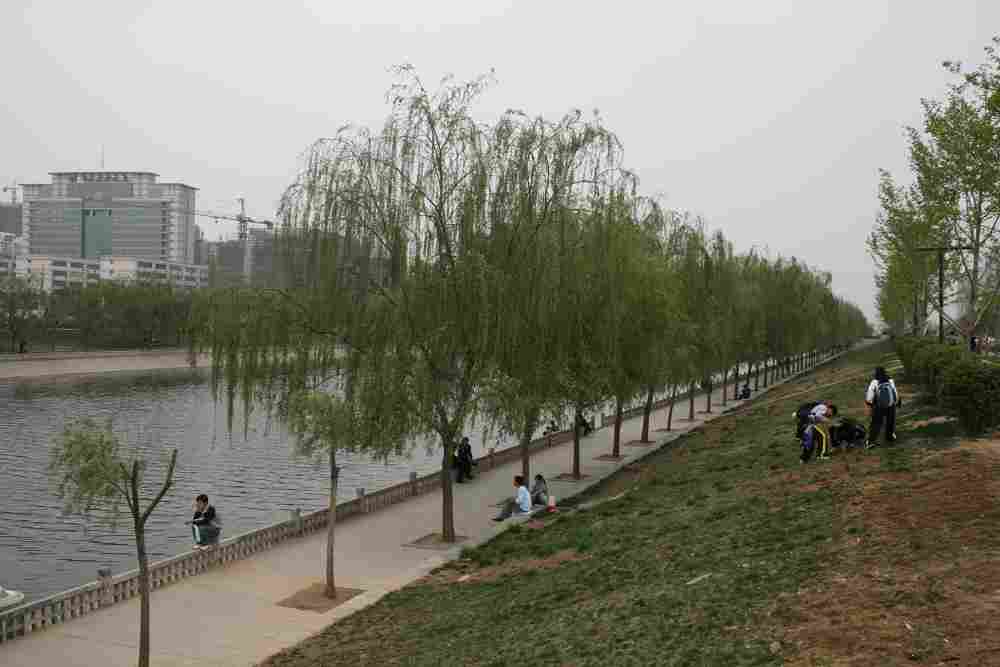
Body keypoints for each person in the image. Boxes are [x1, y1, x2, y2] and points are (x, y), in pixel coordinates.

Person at [865, 366, 900, 450]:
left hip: (878, 407)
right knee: (890, 422)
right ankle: (890, 437)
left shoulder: (874, 382)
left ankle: (870, 441)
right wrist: (895, 402)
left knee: (876, 424)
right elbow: (895, 392)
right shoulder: (890, 380)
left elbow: (869, 396)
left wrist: (869, 403)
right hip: (891, 406)